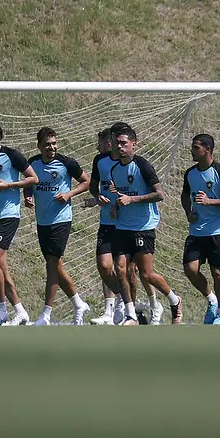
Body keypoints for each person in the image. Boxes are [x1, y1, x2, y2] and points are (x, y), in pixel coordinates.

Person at [87, 126, 164, 325]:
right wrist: (98, 198)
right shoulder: (101, 161)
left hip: (130, 222)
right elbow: (95, 186)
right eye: (109, 141)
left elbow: (140, 192)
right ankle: (118, 305)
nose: (109, 145)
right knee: (106, 266)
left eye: (115, 142)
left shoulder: (135, 164)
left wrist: (123, 204)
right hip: (108, 221)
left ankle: (144, 307)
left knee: (133, 271)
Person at [109, 126, 182, 325]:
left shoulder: (143, 166)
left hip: (143, 226)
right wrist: (117, 205)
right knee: (120, 269)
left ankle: (174, 300)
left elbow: (159, 194)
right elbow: (122, 195)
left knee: (146, 274)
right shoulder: (115, 169)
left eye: (124, 143)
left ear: (134, 144)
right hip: (123, 226)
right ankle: (131, 314)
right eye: (117, 143)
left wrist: (132, 200)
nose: (120, 146)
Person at [0, 120, 38, 326]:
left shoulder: (12, 155)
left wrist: (10, 184)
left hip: (8, 215)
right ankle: (20, 311)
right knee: (1, 267)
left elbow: (33, 179)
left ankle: (1, 309)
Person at [26, 127, 91, 326]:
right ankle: (79, 303)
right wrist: (27, 195)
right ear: (39, 146)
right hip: (42, 221)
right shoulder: (33, 163)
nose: (52, 147)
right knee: (55, 266)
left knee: (52, 264)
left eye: (54, 143)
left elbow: (87, 181)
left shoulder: (66, 163)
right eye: (47, 144)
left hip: (61, 220)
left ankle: (46, 314)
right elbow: (29, 181)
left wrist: (69, 194)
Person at [181, 134, 220, 325]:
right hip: (197, 230)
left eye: (196, 147)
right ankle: (212, 300)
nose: (192, 150)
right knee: (190, 269)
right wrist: (189, 211)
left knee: (217, 272)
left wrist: (210, 201)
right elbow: (185, 195)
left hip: (218, 229)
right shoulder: (190, 173)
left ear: (207, 149)